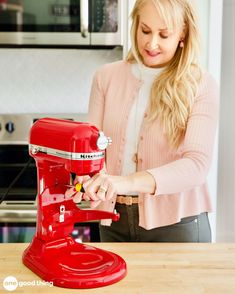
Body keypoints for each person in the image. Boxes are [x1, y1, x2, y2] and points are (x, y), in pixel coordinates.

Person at [66, 0, 219, 242]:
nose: (152, 43)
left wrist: (125, 183)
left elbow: (196, 165)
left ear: (182, 34)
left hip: (177, 223)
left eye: (164, 34)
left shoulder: (201, 84)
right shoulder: (105, 77)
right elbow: (92, 151)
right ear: (135, 24)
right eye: (145, 30)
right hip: (112, 220)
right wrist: (86, 178)